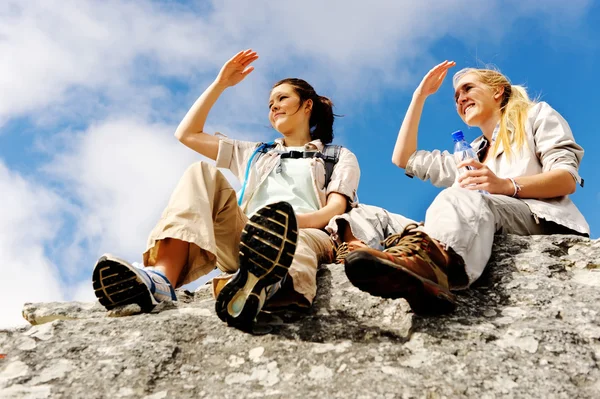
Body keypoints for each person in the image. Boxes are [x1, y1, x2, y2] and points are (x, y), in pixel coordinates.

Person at [92, 49, 360, 331]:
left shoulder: (337, 156)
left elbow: (335, 210)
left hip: (306, 233)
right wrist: (220, 84)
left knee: (297, 246)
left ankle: (263, 288)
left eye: (283, 98)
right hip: (247, 237)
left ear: (307, 106)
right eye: (270, 104)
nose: (274, 107)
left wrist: (280, 223)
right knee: (200, 172)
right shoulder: (256, 153)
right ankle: (160, 280)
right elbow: (187, 134)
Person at [336, 61, 589, 314]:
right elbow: (404, 158)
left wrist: (505, 185)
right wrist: (419, 96)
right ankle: (367, 261)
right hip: (476, 215)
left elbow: (565, 179)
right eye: (456, 96)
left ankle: (433, 269)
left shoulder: (535, 116)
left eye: (468, 89)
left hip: (536, 216)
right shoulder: (469, 154)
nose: (461, 99)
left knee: (456, 195)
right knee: (364, 213)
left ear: (497, 91)